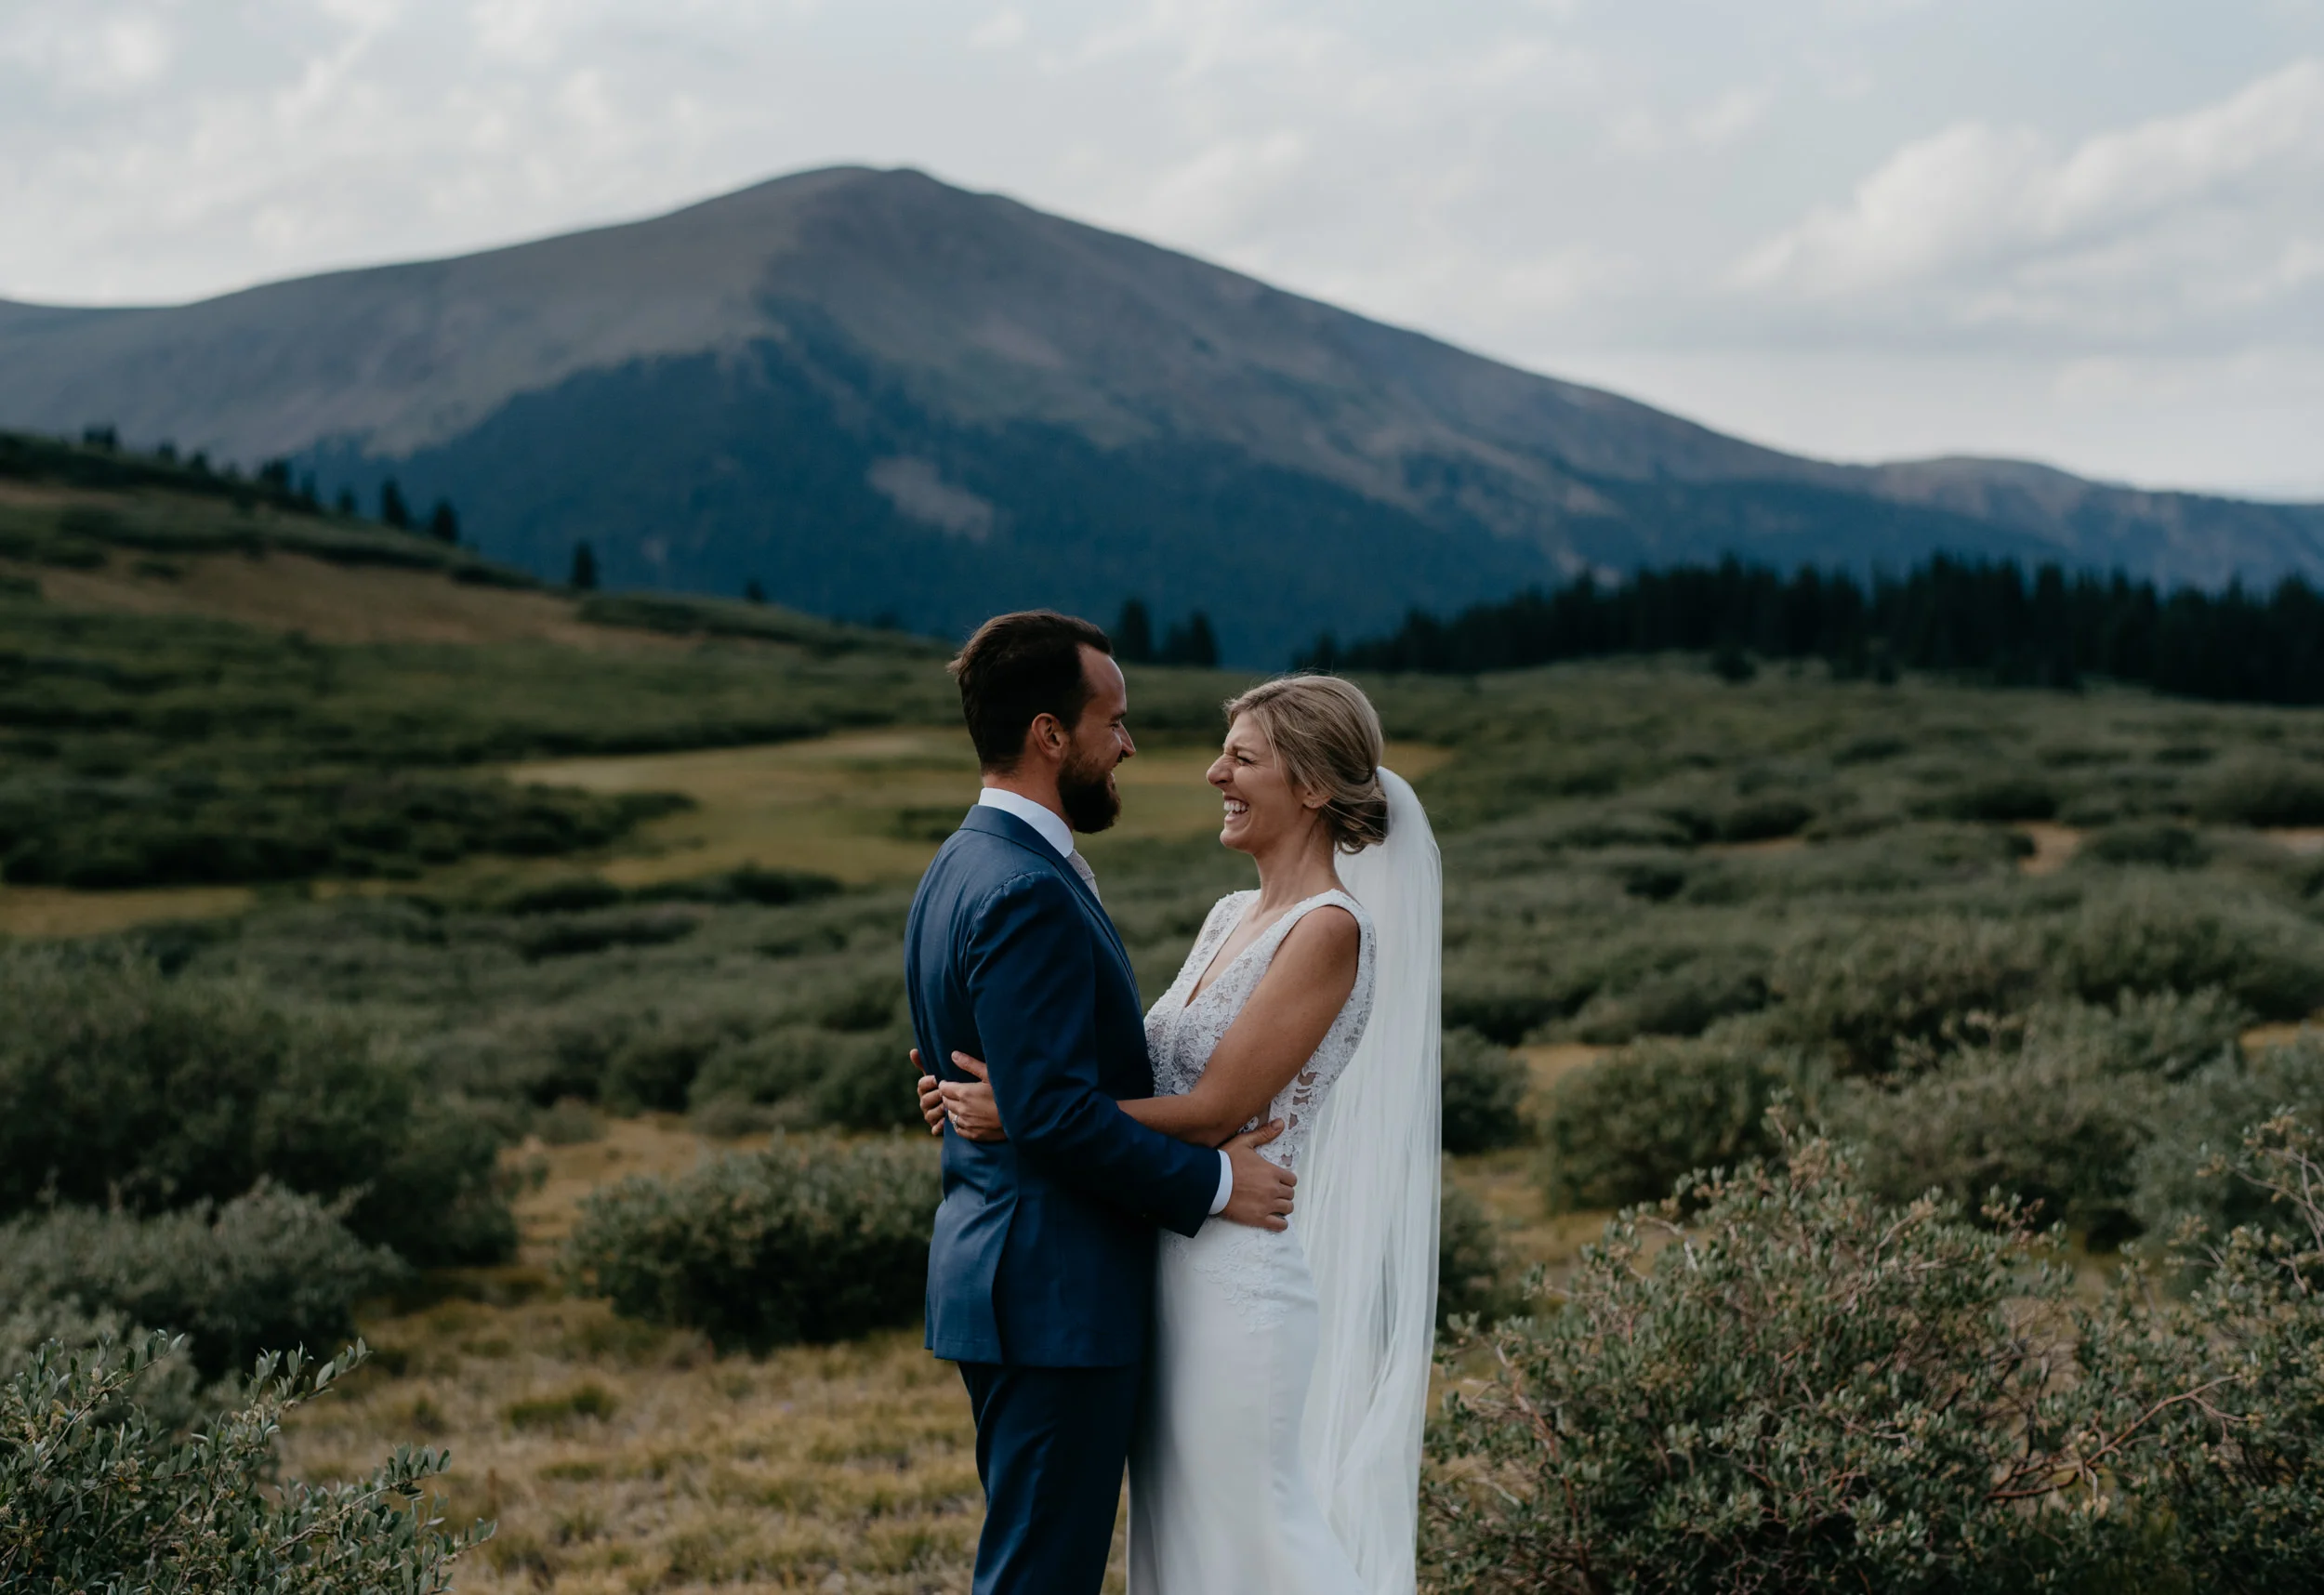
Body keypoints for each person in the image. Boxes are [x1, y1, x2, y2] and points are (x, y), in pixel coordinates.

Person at [921, 666, 1446, 1594]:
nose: (1213, 775)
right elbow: (1137, 1074)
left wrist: (1025, 1114)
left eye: (1241, 758)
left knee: (1257, 1530)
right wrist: (999, 1095)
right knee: (1187, 1543)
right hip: (1161, 1260)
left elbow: (1212, 1111)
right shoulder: (1228, 917)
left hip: (1235, 1274)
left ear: (1314, 787)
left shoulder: (1329, 932)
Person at [905, 611, 1301, 1595]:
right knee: (1041, 1577)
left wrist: (970, 1101)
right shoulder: (1024, 887)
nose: (1126, 744)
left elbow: (985, 1070)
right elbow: (1052, 1114)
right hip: (1054, 1297)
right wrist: (1215, 1183)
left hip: (1003, 1276)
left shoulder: (959, 863)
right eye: (1111, 721)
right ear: (1050, 735)